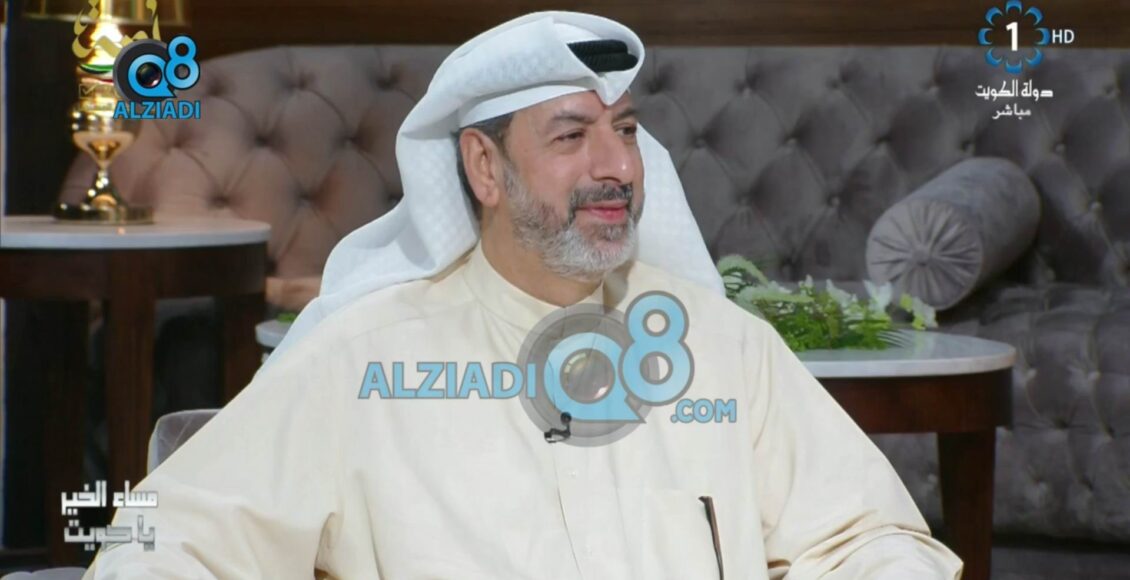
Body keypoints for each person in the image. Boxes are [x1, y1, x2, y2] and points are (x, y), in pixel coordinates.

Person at [85, 11, 962, 579]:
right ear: (483, 168)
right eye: (571, 137)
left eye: (625, 131)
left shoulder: (722, 349)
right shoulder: (362, 362)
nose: (617, 166)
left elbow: (874, 540)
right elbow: (155, 545)